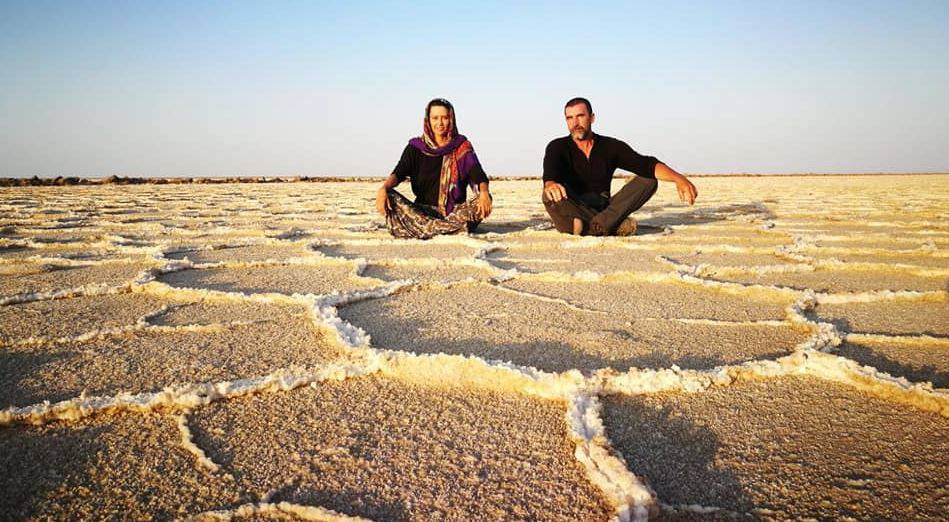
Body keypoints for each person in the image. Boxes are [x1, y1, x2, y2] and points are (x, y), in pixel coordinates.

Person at [542, 97, 697, 236]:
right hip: (574, 206)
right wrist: (550, 184)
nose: (575, 123)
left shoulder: (610, 146)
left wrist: (679, 178)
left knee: (648, 180)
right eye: (570, 118)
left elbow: (645, 164)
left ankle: (589, 227)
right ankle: (605, 226)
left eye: (580, 116)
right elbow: (550, 174)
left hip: (606, 208)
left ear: (592, 118)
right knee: (548, 194)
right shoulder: (557, 147)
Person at [375, 98, 492, 239]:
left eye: (445, 118)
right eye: (435, 118)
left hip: (455, 212)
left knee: (484, 199)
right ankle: (449, 229)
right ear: (428, 120)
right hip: (422, 212)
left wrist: (484, 192)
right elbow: (399, 172)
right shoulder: (415, 147)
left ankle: (426, 229)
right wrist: (384, 188)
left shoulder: (462, 147)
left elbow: (478, 174)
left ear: (452, 119)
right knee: (390, 196)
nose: (440, 123)